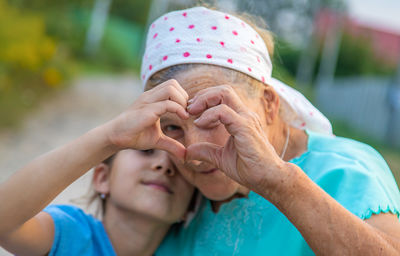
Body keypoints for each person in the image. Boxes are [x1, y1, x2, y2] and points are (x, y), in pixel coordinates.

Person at [141, 6, 400, 255]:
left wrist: (279, 183)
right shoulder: (176, 187)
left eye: (213, 117)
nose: (194, 153)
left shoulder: (343, 172)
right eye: (172, 127)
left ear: (268, 104)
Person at [0, 82, 195, 256]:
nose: (163, 166)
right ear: (102, 178)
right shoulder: (71, 235)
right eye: (146, 151)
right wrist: (109, 138)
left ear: (192, 204)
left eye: (180, 163)